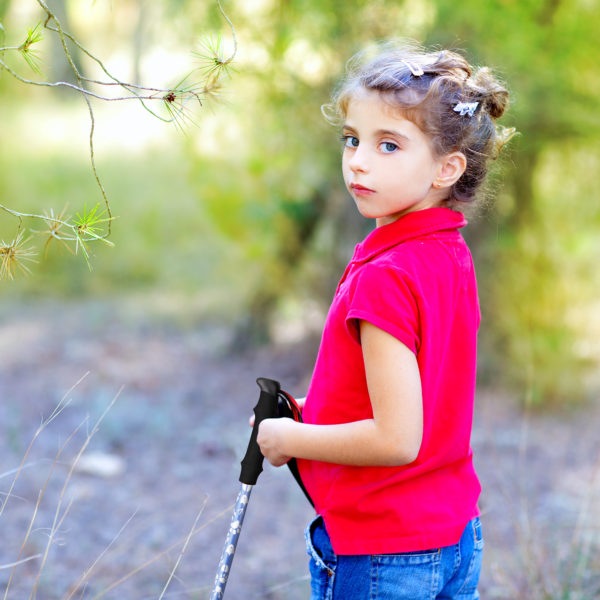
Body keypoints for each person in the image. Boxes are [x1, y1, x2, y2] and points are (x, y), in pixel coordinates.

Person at [256, 40, 514, 599]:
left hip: (385, 550)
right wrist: (314, 415)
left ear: (447, 167)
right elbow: (414, 395)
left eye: (389, 145)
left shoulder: (386, 274)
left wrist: (290, 436)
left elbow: (397, 438)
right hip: (454, 533)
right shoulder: (447, 254)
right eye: (352, 140)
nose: (359, 161)